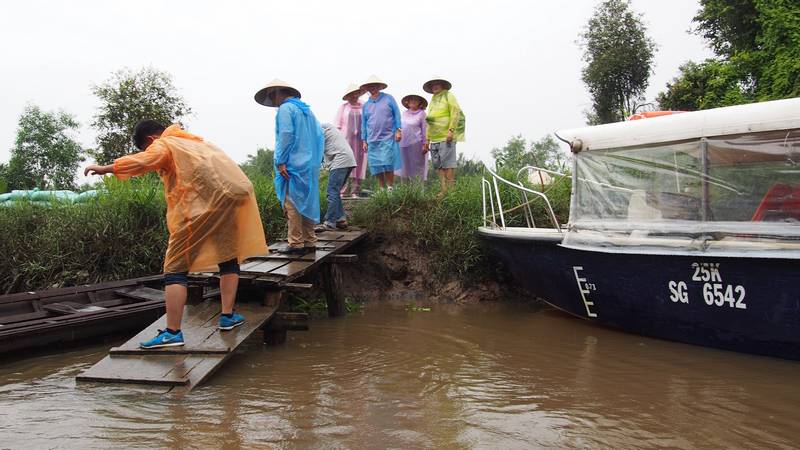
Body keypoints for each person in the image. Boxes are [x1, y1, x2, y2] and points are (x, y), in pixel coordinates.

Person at [84, 120, 268, 349]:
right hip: (228, 203)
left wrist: (106, 168)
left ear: (150, 140)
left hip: (197, 210)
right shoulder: (193, 142)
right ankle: (228, 316)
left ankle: (172, 333)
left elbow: (145, 160)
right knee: (228, 257)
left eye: (147, 147)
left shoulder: (165, 144)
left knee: (174, 268)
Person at [255, 79, 324, 256]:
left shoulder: (286, 109)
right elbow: (319, 135)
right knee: (306, 200)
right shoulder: (306, 110)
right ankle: (310, 240)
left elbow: (285, 135)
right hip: (309, 163)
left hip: (293, 162)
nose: (273, 101)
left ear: (279, 92)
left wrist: (280, 160)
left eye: (272, 96)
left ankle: (295, 242)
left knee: (291, 202)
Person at [423, 77, 465, 197]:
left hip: (446, 136)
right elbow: (429, 121)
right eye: (433, 85)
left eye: (437, 84)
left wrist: (451, 130)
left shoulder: (448, 96)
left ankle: (451, 191)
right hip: (434, 139)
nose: (435, 86)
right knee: (439, 166)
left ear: (442, 85)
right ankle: (444, 190)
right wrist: (427, 140)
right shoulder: (432, 100)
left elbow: (455, 112)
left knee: (448, 165)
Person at [360, 75, 403, 191]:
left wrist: (398, 130)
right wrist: (364, 140)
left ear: (379, 86)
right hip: (372, 139)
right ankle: (382, 188)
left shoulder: (389, 98)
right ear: (367, 89)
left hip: (388, 136)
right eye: (370, 86)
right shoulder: (366, 105)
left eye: (375, 86)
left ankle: (390, 187)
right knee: (376, 165)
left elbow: (397, 114)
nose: (372, 88)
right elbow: (363, 123)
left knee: (388, 162)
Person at [317, 123, 357, 231]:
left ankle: (329, 222)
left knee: (332, 191)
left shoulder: (319, 128)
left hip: (340, 159)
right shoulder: (325, 127)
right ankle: (340, 219)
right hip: (346, 159)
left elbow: (315, 150)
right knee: (335, 191)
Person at [334, 84, 366, 197]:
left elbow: (368, 121)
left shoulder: (364, 106)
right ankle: (342, 190)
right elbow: (337, 125)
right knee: (345, 164)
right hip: (346, 140)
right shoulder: (343, 107)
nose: (354, 96)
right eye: (351, 94)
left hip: (360, 140)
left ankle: (355, 191)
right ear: (348, 96)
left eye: (356, 93)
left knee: (359, 164)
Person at [396, 94, 429, 182]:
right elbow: (399, 126)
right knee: (403, 168)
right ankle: (404, 192)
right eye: (411, 99)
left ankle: (418, 192)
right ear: (408, 101)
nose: (413, 101)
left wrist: (425, 144)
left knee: (417, 168)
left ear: (420, 102)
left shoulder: (422, 114)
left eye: (416, 100)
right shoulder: (404, 113)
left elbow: (425, 130)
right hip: (403, 144)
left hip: (416, 144)